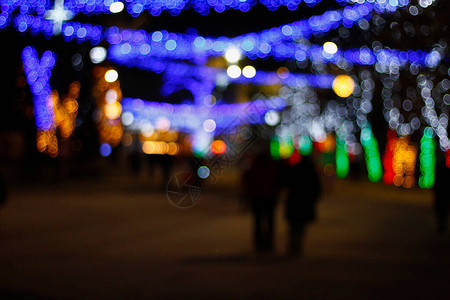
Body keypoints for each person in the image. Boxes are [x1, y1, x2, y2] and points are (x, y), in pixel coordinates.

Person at [241, 148, 281, 253]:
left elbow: (247, 179)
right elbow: (277, 180)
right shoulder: (272, 165)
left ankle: (259, 244)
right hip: (269, 197)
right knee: (269, 221)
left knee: (258, 221)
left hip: (257, 197)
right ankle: (269, 243)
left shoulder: (255, 165)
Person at [284, 155, 321, 256]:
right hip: (305, 203)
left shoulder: (294, 170)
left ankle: (292, 245)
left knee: (293, 226)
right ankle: (298, 246)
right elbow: (316, 189)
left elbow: (286, 183)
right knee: (300, 226)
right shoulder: (311, 173)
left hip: (294, 202)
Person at [434, 163, 450, 234]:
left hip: (440, 193)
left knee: (441, 208)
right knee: (443, 208)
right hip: (442, 193)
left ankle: (442, 224)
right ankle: (442, 224)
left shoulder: (439, 170)